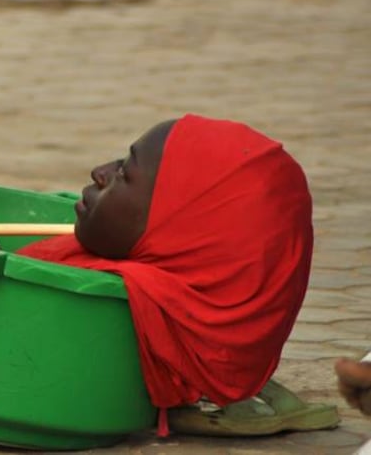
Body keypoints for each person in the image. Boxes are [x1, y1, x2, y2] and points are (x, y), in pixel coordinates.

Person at [19, 114, 338, 436]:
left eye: (124, 174)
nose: (99, 172)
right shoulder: (177, 300)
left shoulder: (130, 295)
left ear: (179, 233)